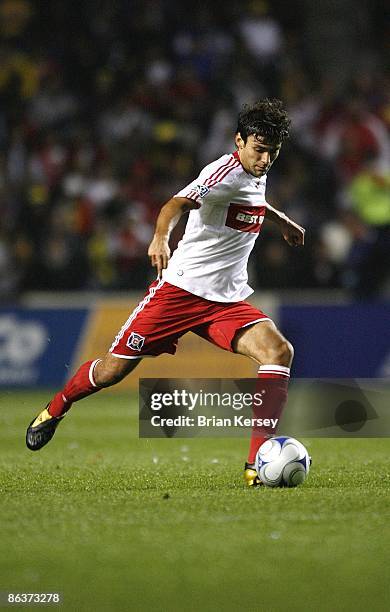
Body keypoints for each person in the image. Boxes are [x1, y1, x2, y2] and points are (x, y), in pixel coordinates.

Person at [26, 98, 305, 486]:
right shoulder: (222, 172)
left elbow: (252, 198)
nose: (264, 160)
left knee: (279, 352)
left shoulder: (256, 171)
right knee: (111, 371)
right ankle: (56, 407)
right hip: (180, 292)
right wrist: (160, 238)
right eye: (258, 150)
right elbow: (174, 204)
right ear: (238, 141)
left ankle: (255, 466)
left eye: (271, 153)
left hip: (225, 301)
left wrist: (282, 220)